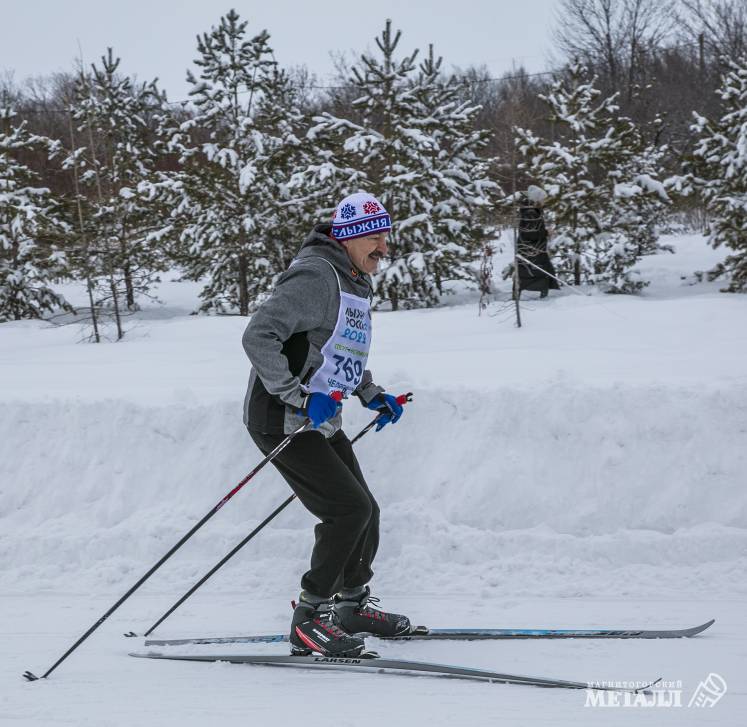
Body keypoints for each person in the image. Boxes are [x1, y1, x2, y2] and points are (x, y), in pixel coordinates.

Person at [242, 192, 412, 657]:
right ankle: (309, 618)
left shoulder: (353, 279)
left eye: (386, 235)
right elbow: (258, 335)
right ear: (349, 237)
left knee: (366, 512)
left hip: (319, 417)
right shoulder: (317, 275)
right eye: (375, 237)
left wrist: (372, 393)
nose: (384, 247)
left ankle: (352, 605)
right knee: (347, 510)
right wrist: (296, 396)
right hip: (282, 419)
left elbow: (339, 351)